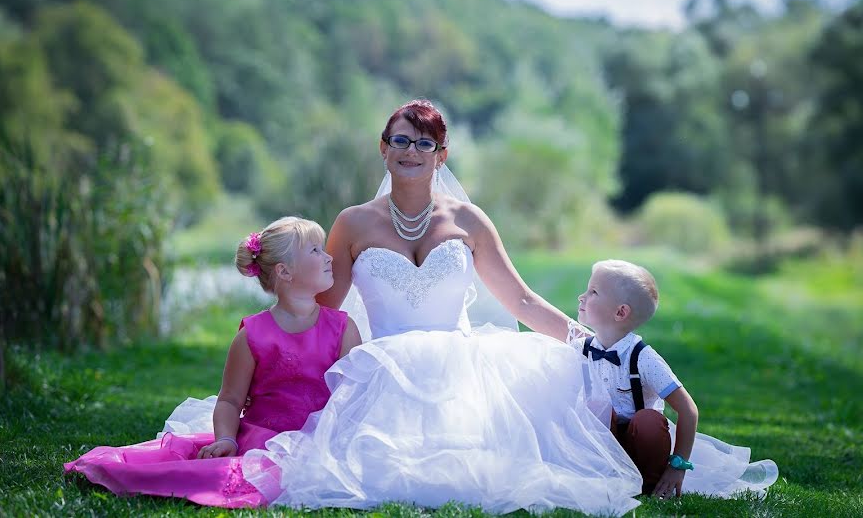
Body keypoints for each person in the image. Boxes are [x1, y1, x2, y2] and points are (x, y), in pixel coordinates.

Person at [238, 100, 644, 515]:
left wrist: (591, 343)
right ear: (383, 148)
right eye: (400, 140)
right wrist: (271, 358)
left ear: (441, 155)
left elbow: (521, 300)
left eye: (424, 143)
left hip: (462, 368)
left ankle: (635, 439)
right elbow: (321, 312)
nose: (410, 151)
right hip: (384, 369)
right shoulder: (352, 223)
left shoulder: (469, 220)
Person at [64, 217, 362, 508]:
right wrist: (227, 439)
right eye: (315, 250)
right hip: (262, 442)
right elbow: (231, 400)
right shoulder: (253, 336)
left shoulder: (342, 329)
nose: (328, 257)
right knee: (229, 477)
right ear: (284, 272)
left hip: (318, 441)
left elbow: (351, 398)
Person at [573, 259, 779, 499]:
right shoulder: (579, 350)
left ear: (620, 312)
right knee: (596, 408)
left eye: (593, 292)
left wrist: (677, 466)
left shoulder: (643, 358)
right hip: (603, 444)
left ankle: (649, 483)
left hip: (641, 444)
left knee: (648, 420)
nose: (581, 296)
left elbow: (688, 410)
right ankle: (604, 475)